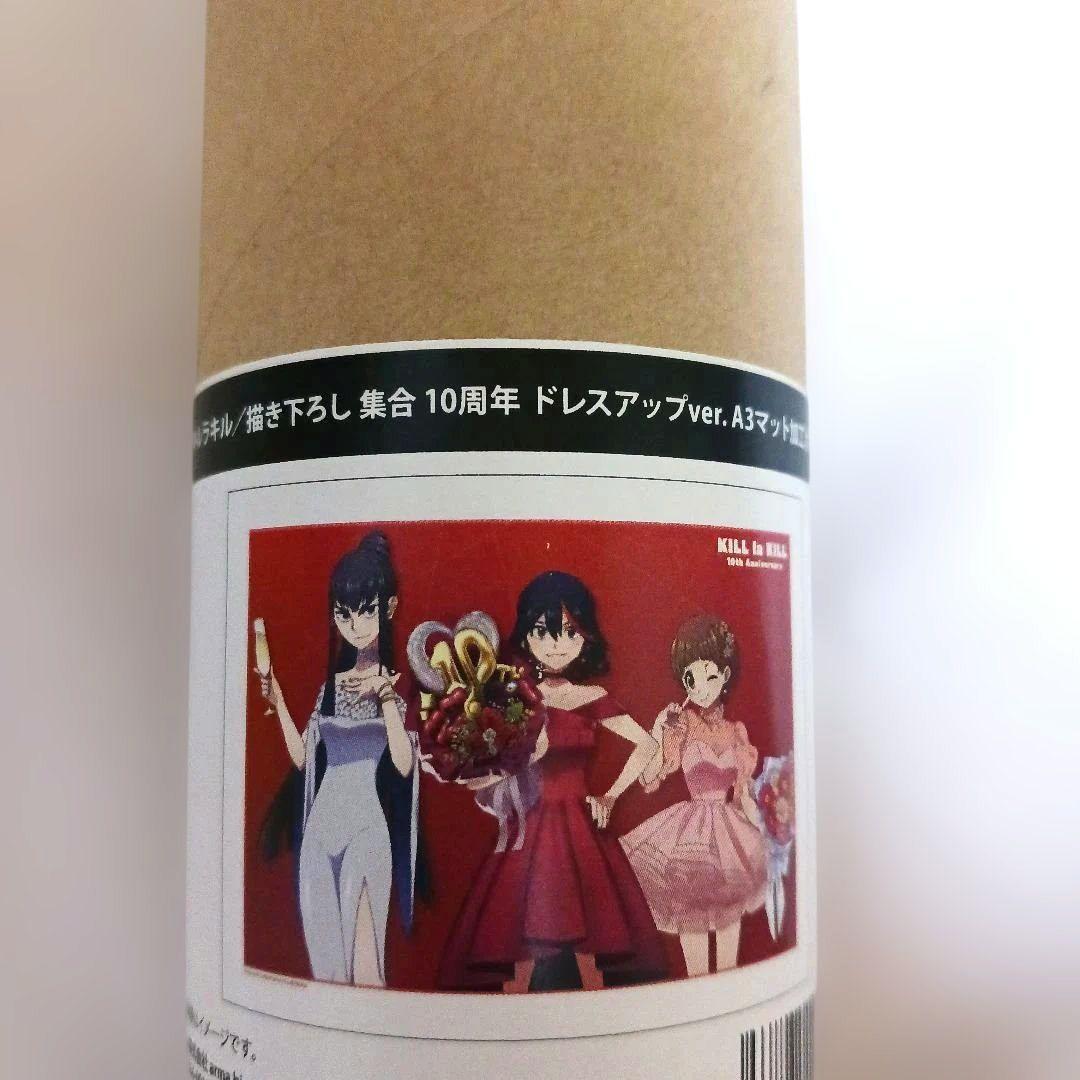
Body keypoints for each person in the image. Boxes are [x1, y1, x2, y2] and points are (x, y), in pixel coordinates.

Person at [440, 571, 665, 992]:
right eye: (542, 632)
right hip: (528, 825)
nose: (556, 644)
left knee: (591, 942)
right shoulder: (516, 696)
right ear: (526, 637)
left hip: (580, 828)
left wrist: (610, 797)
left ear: (586, 638)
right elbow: (486, 765)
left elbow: (649, 746)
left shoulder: (592, 699)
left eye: (569, 633)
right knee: (518, 942)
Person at [259, 531, 424, 986]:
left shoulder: (394, 686)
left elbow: (403, 765)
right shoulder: (330, 689)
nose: (355, 624)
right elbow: (303, 760)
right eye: (344, 613)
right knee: (327, 972)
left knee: (366, 969)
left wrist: (385, 697)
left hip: (367, 831)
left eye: (366, 611)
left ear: (389, 609)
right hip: (319, 833)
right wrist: (278, 699)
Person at [620, 615, 767, 976]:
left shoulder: (736, 732)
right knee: (692, 919)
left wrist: (763, 831)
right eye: (690, 679)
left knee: (730, 924)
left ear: (725, 675)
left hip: (729, 830)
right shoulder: (682, 724)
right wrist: (658, 732)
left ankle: (729, 996)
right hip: (690, 833)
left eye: (708, 676)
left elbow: (743, 794)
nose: (700, 688)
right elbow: (649, 778)